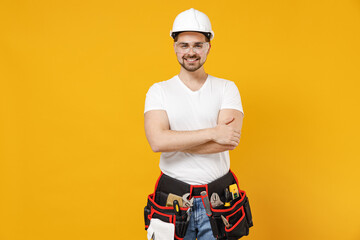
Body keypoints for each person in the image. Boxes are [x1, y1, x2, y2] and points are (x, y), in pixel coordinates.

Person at [144, 8, 245, 240]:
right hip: (173, 199)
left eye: (198, 45)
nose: (191, 52)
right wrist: (213, 132)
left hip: (219, 200)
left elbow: (227, 141)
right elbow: (157, 141)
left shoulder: (226, 88)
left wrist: (173, 140)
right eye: (184, 45)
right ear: (175, 47)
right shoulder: (159, 91)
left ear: (209, 46)